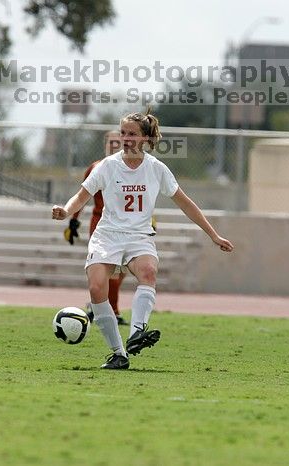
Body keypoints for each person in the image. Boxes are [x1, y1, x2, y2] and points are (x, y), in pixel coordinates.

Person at [52, 109, 234, 370]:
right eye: (123, 133)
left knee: (148, 271)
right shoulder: (107, 166)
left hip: (139, 236)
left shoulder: (156, 169)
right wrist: (66, 211)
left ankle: (137, 332)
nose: (125, 139)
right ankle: (118, 353)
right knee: (96, 289)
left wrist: (213, 235)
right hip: (108, 235)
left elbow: (186, 204)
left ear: (146, 139)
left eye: (132, 134)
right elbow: (81, 196)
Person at [64, 131, 128, 325]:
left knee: (123, 269)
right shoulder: (96, 167)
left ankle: (99, 305)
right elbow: (82, 196)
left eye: (119, 142)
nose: (115, 146)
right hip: (101, 222)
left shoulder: (130, 168)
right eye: (112, 142)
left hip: (127, 225)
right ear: (105, 145)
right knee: (109, 269)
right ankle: (112, 311)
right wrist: (73, 221)